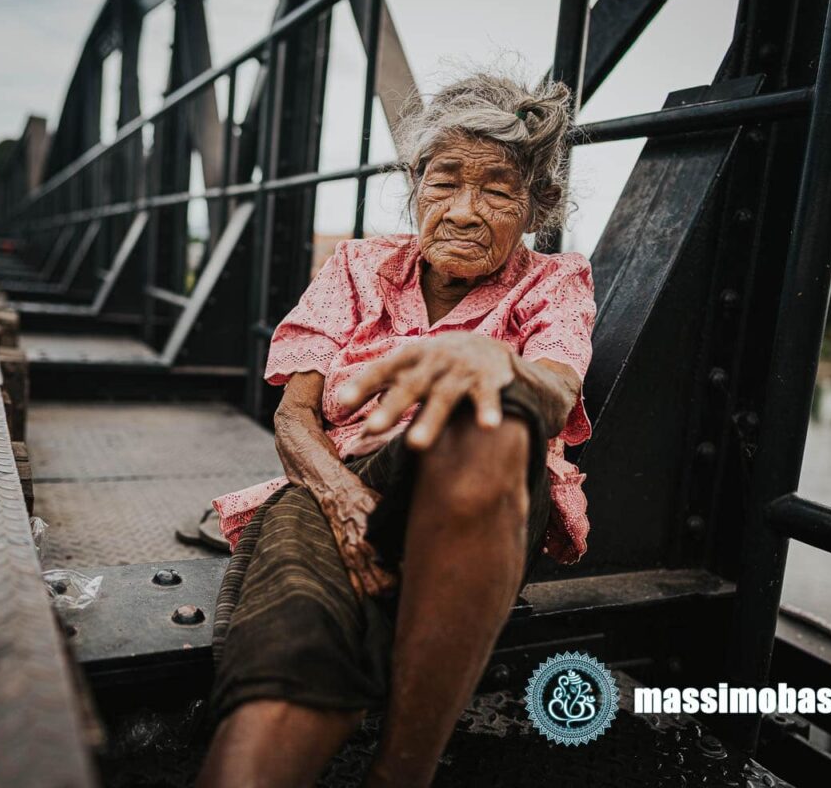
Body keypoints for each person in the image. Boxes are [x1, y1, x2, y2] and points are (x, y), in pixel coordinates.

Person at [197, 70, 599, 787]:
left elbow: (556, 387)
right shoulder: (357, 265)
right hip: (337, 480)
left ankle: (402, 775)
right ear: (415, 184)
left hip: (483, 498)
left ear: (536, 206)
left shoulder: (554, 282)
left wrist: (495, 364)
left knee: (494, 427)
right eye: (444, 182)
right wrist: (345, 502)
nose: (466, 211)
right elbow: (295, 417)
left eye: (498, 190)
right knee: (295, 635)